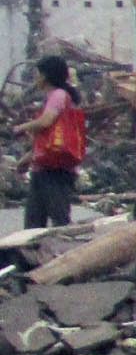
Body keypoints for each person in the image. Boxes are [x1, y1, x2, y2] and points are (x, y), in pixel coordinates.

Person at [18, 56, 86, 230]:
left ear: (45, 76)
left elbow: (46, 122)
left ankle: (69, 255)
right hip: (43, 168)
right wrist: (28, 158)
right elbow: (46, 139)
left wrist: (21, 127)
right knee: (33, 221)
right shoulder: (54, 96)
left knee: (59, 219)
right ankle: (33, 254)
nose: (36, 78)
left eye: (38, 74)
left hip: (55, 170)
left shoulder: (58, 95)